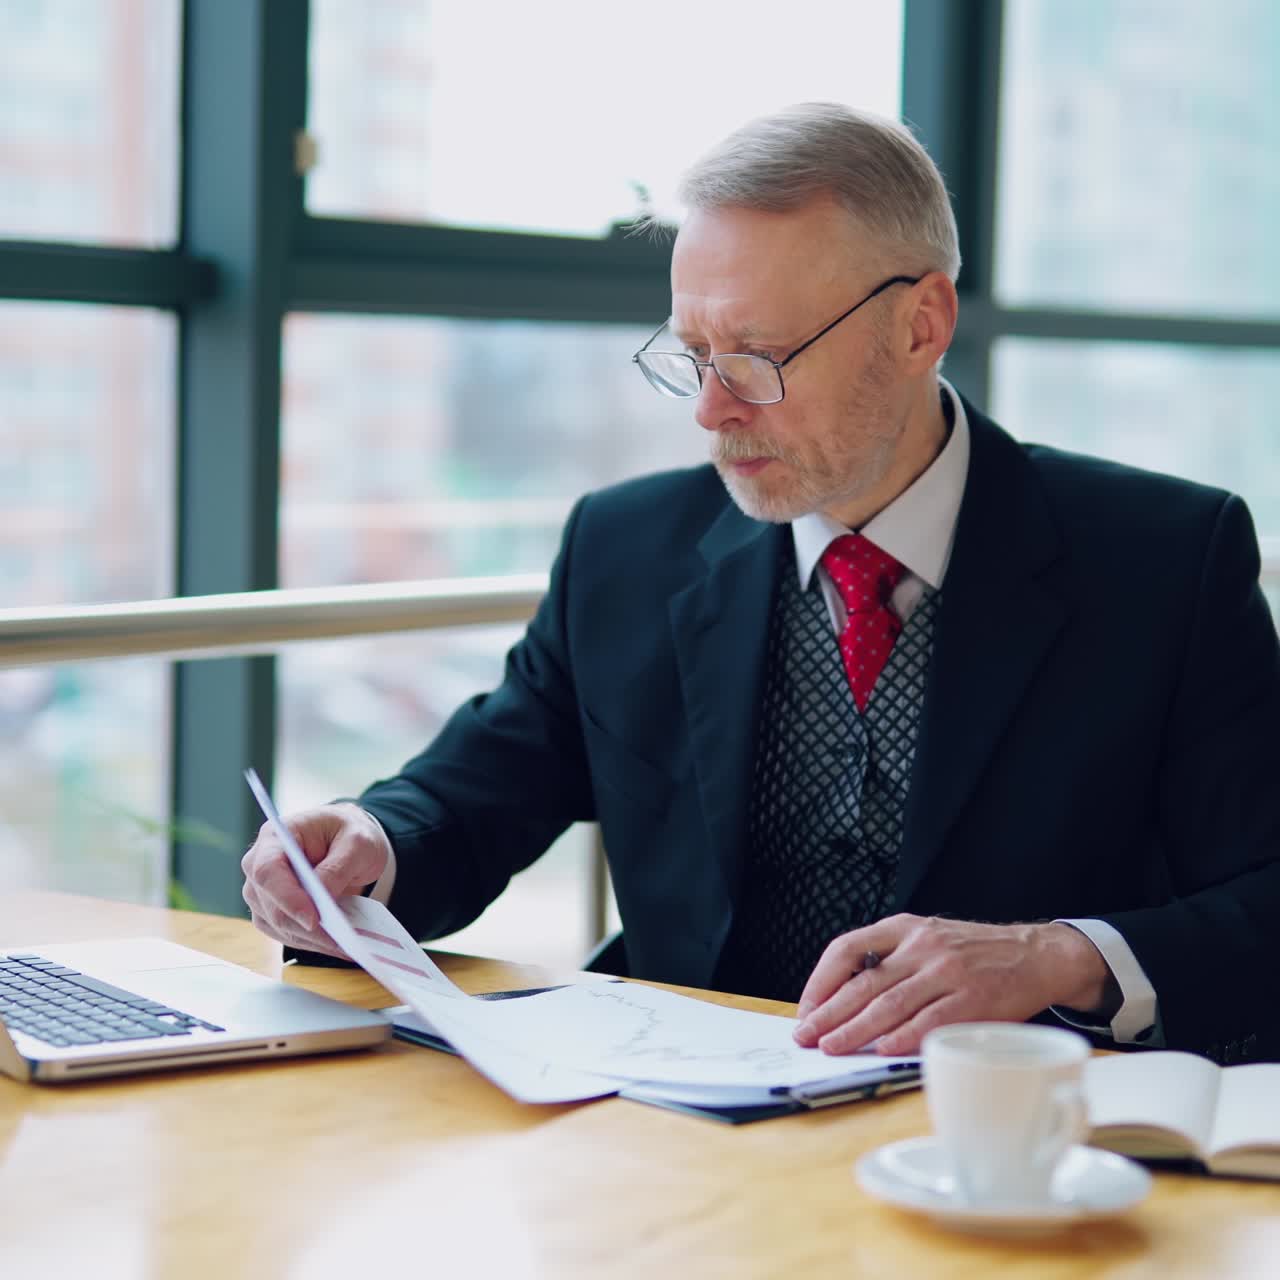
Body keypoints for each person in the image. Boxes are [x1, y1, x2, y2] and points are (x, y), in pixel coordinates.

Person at [243, 103, 1280, 1063]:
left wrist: (1058, 955)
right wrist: (367, 845)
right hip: (682, 1128)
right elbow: (473, 793)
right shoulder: (625, 546)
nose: (710, 409)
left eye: (757, 355)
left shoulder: (1164, 559)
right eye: (691, 353)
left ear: (921, 323)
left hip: (1008, 1150)